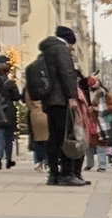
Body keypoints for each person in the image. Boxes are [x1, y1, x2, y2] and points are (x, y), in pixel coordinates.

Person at [31, 23, 83, 185]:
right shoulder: (61, 49)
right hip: (60, 99)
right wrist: (71, 96)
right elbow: (66, 73)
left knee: (53, 138)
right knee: (66, 137)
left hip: (49, 99)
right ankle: (67, 174)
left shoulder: (47, 49)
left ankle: (53, 174)